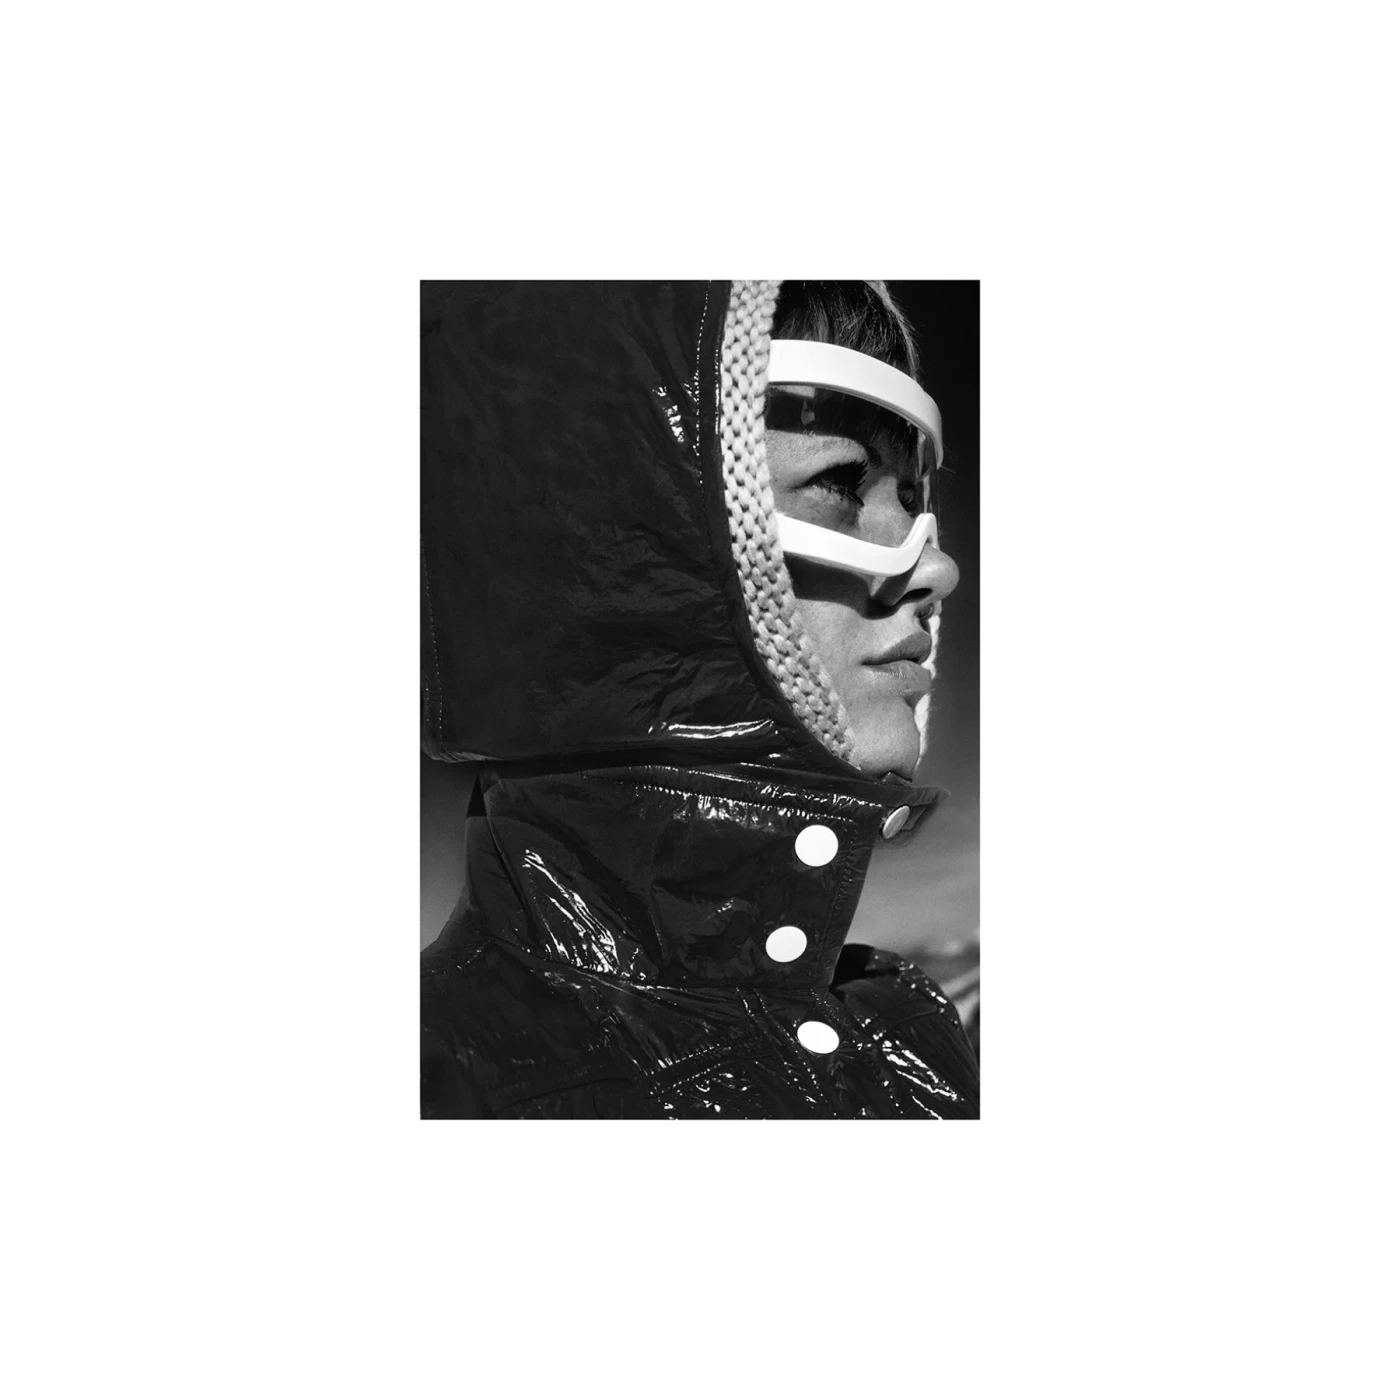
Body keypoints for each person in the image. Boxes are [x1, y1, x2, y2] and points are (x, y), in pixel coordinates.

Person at [420, 280, 978, 1118]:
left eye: (911, 501)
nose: (937, 569)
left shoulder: (916, 1035)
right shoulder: (440, 1079)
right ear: (622, 541)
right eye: (839, 485)